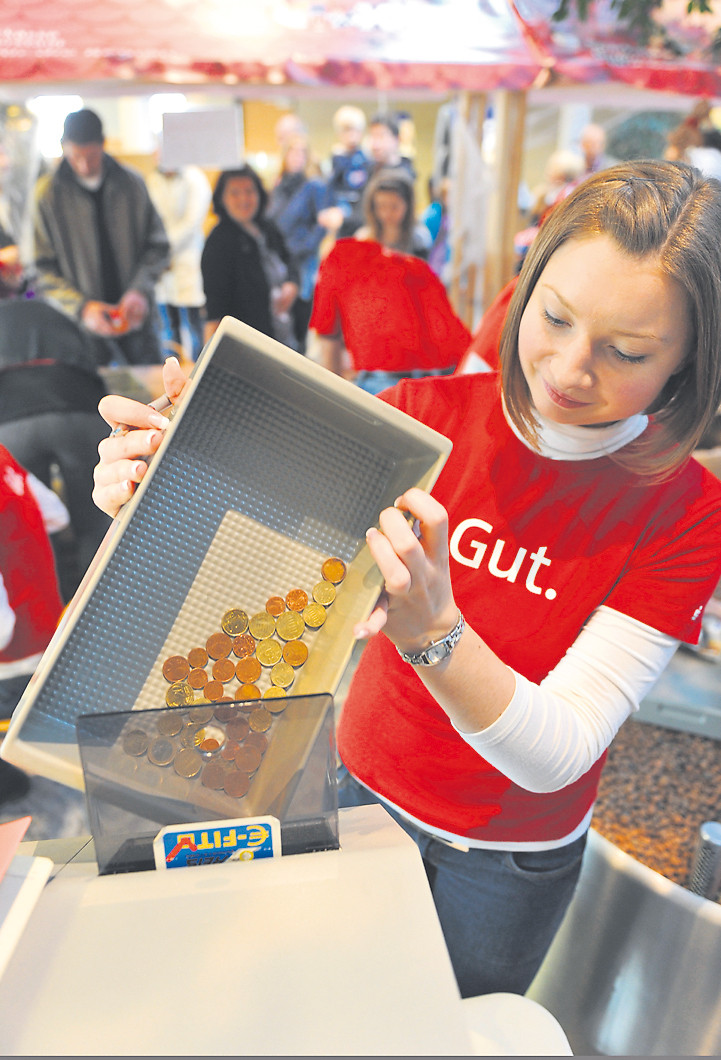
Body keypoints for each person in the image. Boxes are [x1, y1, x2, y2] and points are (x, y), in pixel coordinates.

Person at [91, 161, 721, 1001]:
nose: (570, 369)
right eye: (554, 317)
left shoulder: (684, 510)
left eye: (627, 351)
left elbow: (560, 752)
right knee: (326, 1007)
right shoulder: (424, 418)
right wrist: (157, 487)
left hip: (508, 857)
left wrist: (432, 633)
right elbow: (255, 558)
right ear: (522, 291)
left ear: (688, 362)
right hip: (359, 790)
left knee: (446, 1030)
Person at [308, 168, 468, 394]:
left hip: (415, 350)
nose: (387, 214)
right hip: (378, 353)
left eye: (394, 206)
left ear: (407, 206)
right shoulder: (361, 243)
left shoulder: (418, 240)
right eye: (381, 206)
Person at [32, 108, 171, 366]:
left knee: (152, 394)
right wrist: (81, 308)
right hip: (82, 328)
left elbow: (158, 247)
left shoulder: (131, 183)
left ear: (103, 145)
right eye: (76, 156)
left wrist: (139, 290)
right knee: (92, 400)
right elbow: (41, 269)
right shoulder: (48, 195)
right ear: (64, 147)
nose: (84, 165)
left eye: (92, 156)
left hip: (137, 320)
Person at [0, 298, 112, 600]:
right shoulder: (51, 309)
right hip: (78, 407)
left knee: (37, 523)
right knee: (97, 515)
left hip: (10, 421)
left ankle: (59, 608)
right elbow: (98, 356)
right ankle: (103, 602)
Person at [0, 444, 67, 805]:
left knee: (27, 788)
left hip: (10, 662)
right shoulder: (3, 457)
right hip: (47, 635)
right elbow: (56, 515)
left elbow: (1, 627)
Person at [201, 165, 299, 350]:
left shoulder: (267, 228)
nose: (244, 199)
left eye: (249, 191)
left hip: (284, 335)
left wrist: (291, 284)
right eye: (235, 193)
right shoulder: (218, 242)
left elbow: (290, 261)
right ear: (222, 198)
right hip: (248, 345)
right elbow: (215, 307)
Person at [267, 135, 330, 354]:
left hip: (303, 261)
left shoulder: (313, 186)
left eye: (302, 152)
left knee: (299, 321)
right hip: (279, 262)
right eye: (293, 152)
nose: (297, 157)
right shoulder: (277, 186)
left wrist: (305, 247)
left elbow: (322, 224)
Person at [146, 157, 212, 362]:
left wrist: (165, 249)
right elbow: (149, 220)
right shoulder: (152, 180)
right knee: (168, 329)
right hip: (163, 268)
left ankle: (199, 375)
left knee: (194, 327)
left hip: (187, 260)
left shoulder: (195, 179)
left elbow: (191, 223)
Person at [317, 105, 371, 240]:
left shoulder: (367, 161)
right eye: (346, 130)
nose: (351, 135)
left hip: (358, 221)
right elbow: (329, 189)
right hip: (337, 223)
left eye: (354, 130)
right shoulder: (334, 159)